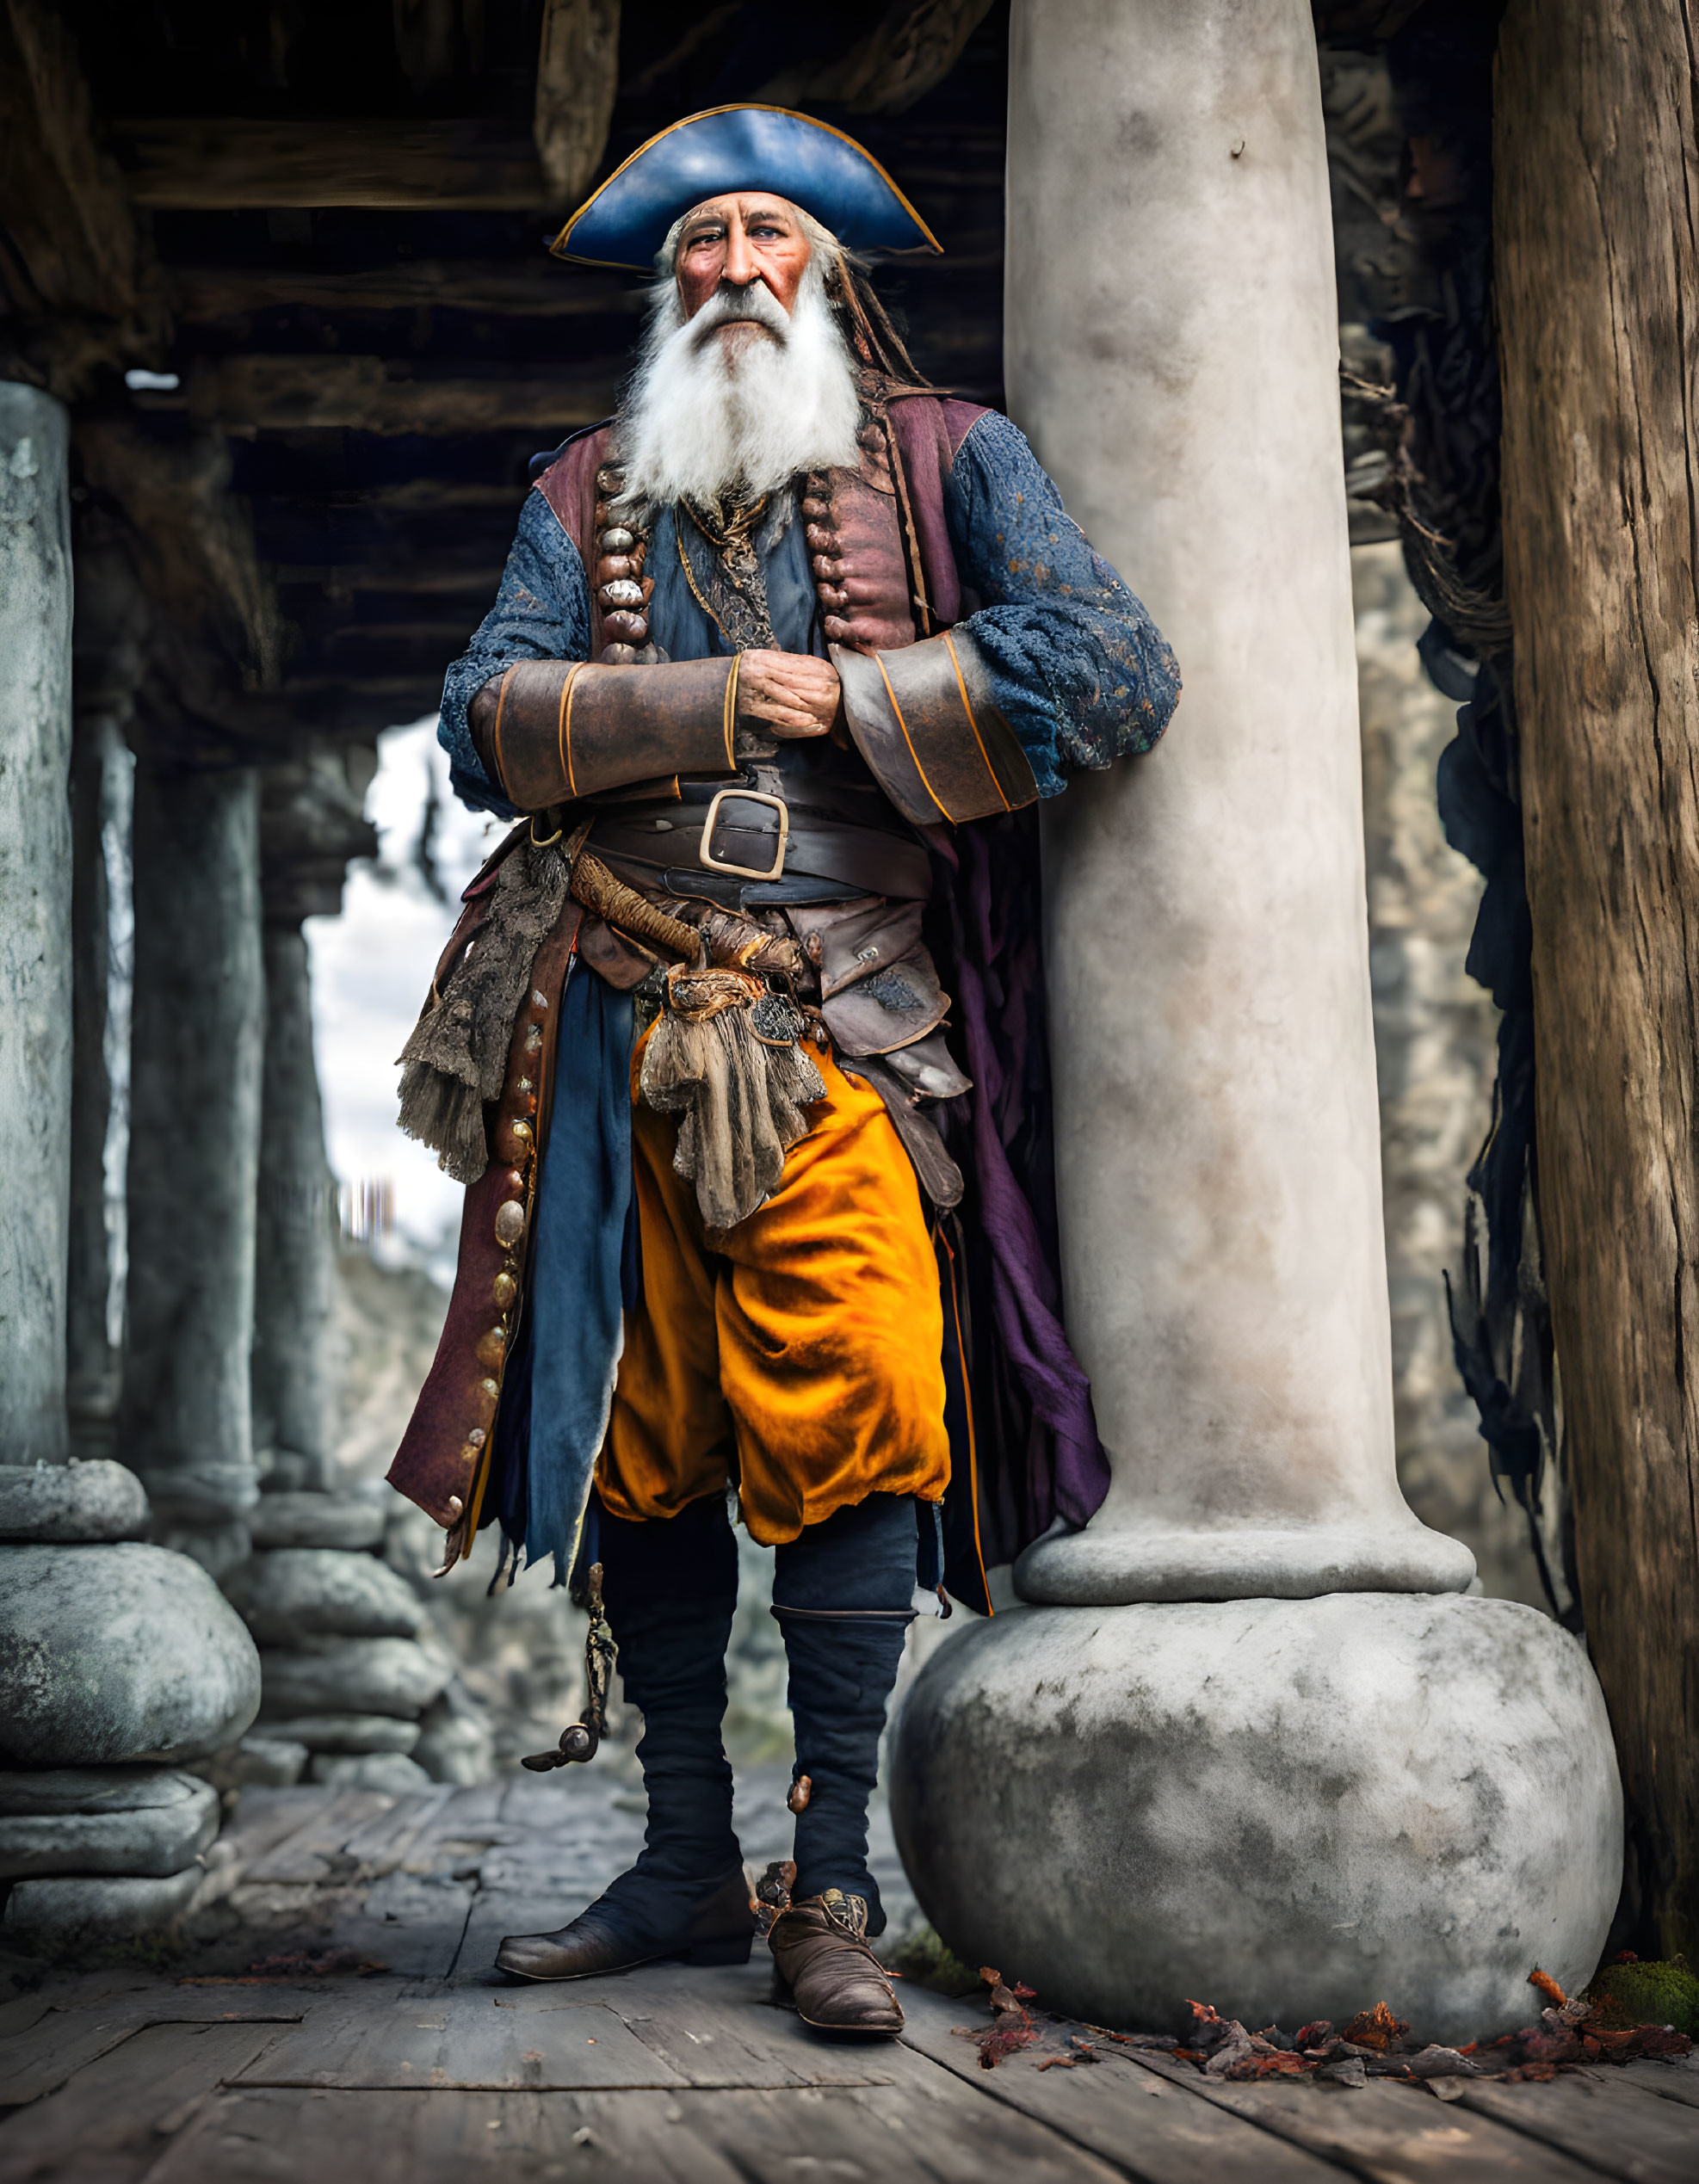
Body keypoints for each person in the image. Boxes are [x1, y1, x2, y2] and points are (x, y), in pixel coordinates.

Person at [386, 106, 1179, 2037]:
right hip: (616, 1008)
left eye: (767, 239)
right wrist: (708, 701)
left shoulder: (953, 457)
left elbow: (1113, 668)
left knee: (852, 1397)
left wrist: (878, 698)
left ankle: (831, 1889)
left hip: (852, 1014)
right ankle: (677, 1868)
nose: (733, 269)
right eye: (702, 248)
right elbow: (483, 716)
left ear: (830, 275)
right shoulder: (582, 493)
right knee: (641, 1441)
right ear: (672, 292)